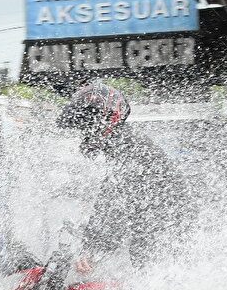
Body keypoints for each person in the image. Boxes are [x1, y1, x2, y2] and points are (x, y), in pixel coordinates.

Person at [57, 81, 194, 269]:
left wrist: (91, 248)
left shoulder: (130, 148)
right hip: (163, 223)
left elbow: (114, 204)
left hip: (169, 227)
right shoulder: (122, 143)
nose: (84, 133)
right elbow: (110, 197)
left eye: (86, 125)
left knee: (144, 264)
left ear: (107, 119)